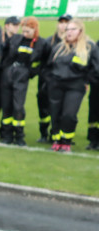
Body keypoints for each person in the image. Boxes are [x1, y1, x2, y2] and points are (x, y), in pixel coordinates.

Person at [46, 18, 98, 152]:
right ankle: (57, 139)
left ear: (80, 31)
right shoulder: (59, 47)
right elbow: (48, 66)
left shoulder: (89, 47)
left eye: (72, 29)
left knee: (69, 114)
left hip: (75, 86)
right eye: (67, 29)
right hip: (56, 85)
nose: (68, 32)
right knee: (55, 113)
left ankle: (66, 141)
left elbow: (95, 68)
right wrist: (50, 80)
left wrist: (86, 80)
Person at [0, 16, 47, 146]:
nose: (25, 34)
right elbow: (4, 54)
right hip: (8, 75)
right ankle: (7, 136)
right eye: (23, 30)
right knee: (7, 107)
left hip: (22, 78)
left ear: (35, 29)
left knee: (18, 107)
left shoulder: (41, 43)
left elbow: (44, 61)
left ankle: (19, 136)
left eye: (28, 31)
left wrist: (32, 72)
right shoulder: (16, 39)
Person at [38, 15, 71, 142]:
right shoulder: (48, 42)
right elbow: (42, 62)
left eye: (66, 23)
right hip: (46, 80)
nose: (63, 25)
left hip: (63, 81)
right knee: (43, 106)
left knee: (60, 108)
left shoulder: (73, 43)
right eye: (61, 22)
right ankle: (43, 133)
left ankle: (56, 134)